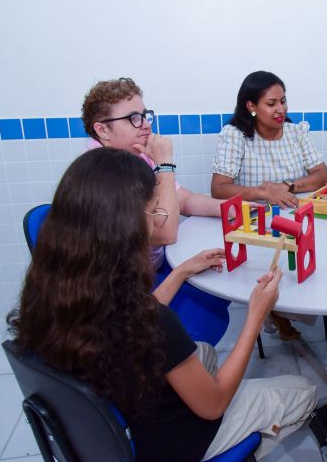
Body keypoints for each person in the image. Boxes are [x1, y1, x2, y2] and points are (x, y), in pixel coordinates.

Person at [8, 148, 316, 461]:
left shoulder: (52, 291)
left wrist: (181, 272)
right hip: (173, 445)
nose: (158, 222)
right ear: (127, 225)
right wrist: (255, 316)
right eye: (155, 211)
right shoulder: (157, 322)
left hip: (126, 407)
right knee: (302, 391)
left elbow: (132, 315)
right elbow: (214, 404)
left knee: (204, 352)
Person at [81, 77, 230, 345]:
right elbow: (165, 233)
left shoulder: (138, 155)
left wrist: (233, 208)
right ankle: (181, 370)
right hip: (127, 287)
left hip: (153, 267)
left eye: (145, 115)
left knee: (218, 283)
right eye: (133, 118)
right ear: (102, 130)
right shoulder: (102, 175)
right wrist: (165, 164)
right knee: (207, 310)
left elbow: (183, 200)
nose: (146, 124)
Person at [211, 70, 327, 208]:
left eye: (283, 101)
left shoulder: (297, 132)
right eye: (271, 104)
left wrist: (287, 186)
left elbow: (323, 176)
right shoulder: (235, 136)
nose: (281, 109)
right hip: (253, 221)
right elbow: (219, 188)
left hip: (294, 214)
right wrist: (262, 192)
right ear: (251, 107)